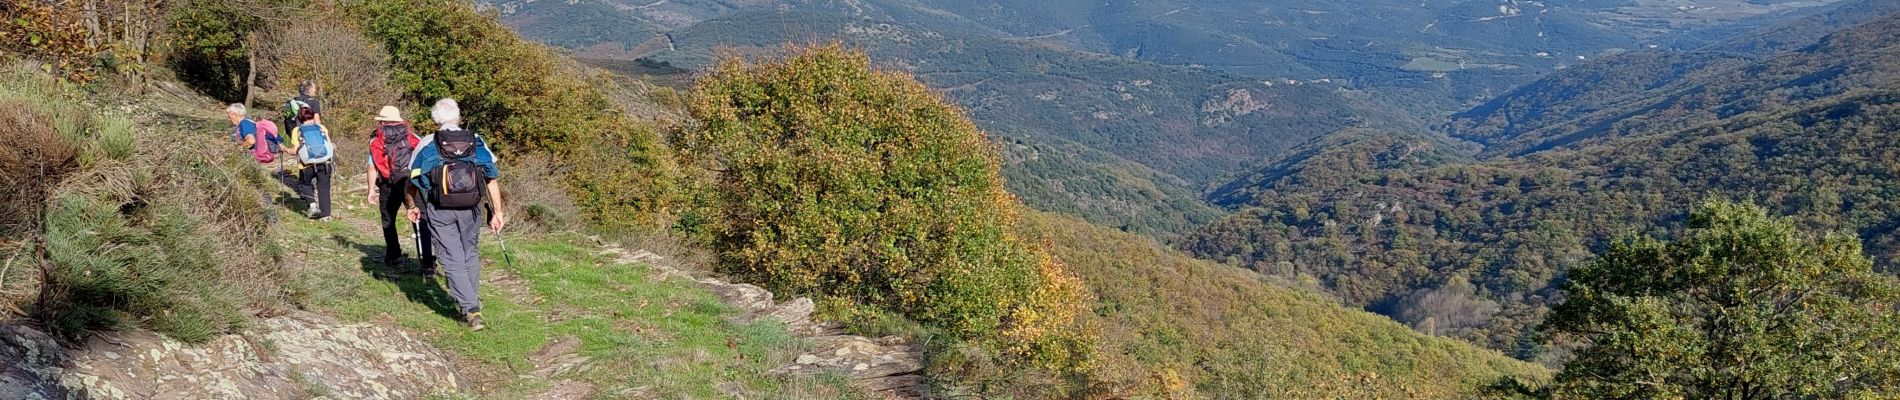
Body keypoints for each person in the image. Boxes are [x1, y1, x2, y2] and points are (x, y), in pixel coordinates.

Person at [406, 98, 506, 331]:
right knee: (469, 253)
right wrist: (497, 212)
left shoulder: (428, 144)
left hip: (440, 210)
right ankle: (472, 302)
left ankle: (471, 309)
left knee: (451, 257)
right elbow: (491, 179)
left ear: (435, 120)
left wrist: (412, 205)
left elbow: (413, 180)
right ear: (458, 117)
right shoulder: (476, 141)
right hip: (471, 209)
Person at [366, 106, 435, 271]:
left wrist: (370, 190)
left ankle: (395, 257)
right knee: (420, 220)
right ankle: (428, 263)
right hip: (411, 183)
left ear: (382, 121)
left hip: (388, 184)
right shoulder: (412, 137)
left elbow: (372, 167)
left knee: (388, 219)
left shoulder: (377, 139)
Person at [289, 107, 335, 220]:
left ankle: (313, 205)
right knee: (323, 188)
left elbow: (295, 151)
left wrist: (284, 149)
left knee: (305, 184)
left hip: (306, 164)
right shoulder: (321, 127)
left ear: (300, 118)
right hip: (325, 163)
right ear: (312, 115)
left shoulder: (297, 130)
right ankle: (326, 216)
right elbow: (329, 145)